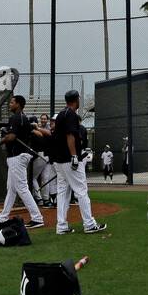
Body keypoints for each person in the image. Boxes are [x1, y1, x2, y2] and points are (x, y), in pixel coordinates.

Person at [51, 90, 106, 234]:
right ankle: (89, 224)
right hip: (69, 159)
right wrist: (74, 156)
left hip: (59, 160)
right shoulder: (71, 115)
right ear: (76, 100)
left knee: (62, 193)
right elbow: (70, 136)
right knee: (81, 190)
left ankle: (61, 226)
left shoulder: (61, 114)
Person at [0, 95, 47, 228]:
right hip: (19, 156)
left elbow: (12, 136)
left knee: (22, 188)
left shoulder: (16, 117)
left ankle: (37, 218)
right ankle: (3, 217)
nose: (10, 104)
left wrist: (1, 139)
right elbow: (31, 133)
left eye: (12, 102)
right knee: (11, 188)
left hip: (17, 157)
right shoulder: (23, 118)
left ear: (18, 104)